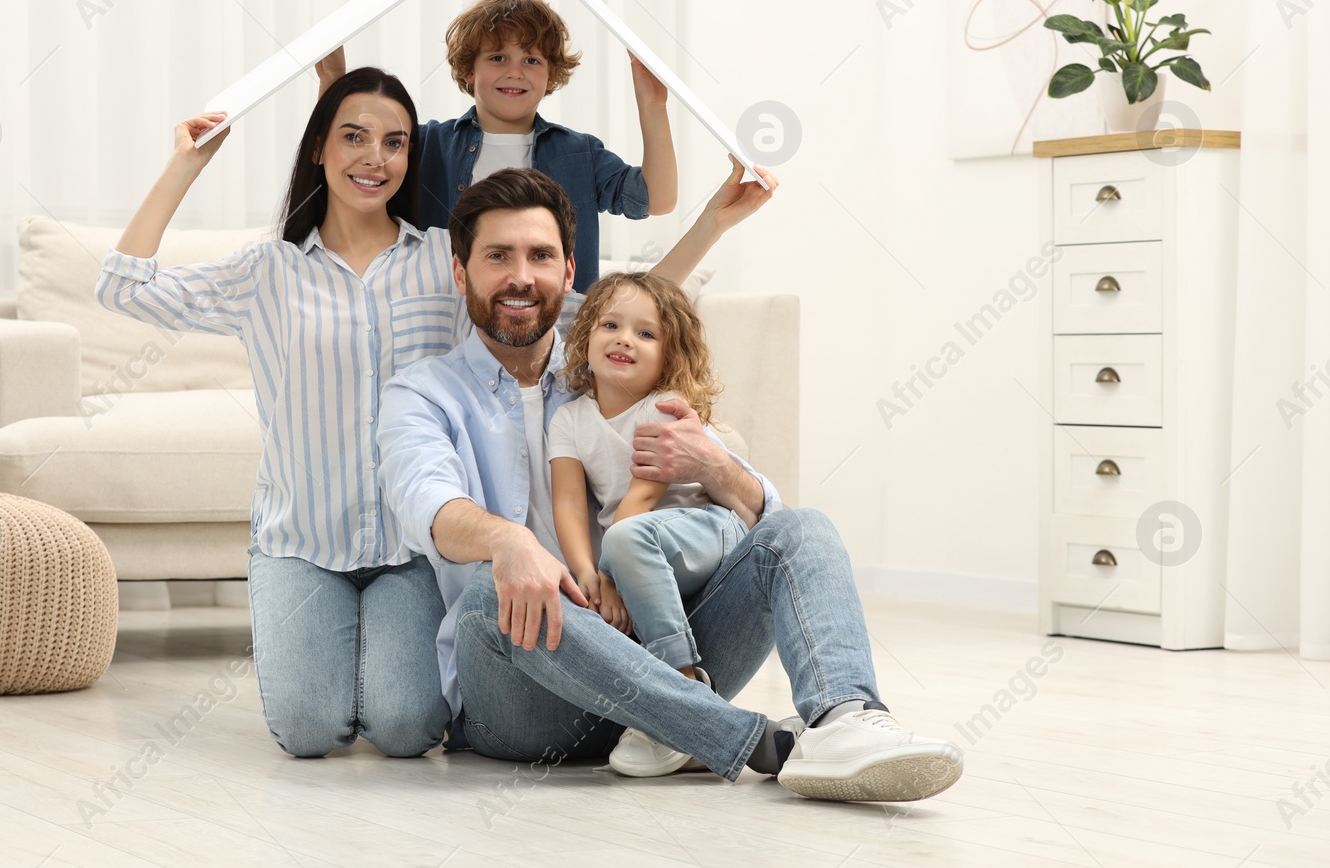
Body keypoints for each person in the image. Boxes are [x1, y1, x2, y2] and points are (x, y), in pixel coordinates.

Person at [376, 169, 965, 801]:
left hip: (652, 669)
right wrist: (508, 541)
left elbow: (757, 511)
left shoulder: (608, 369)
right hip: (527, 699)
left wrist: (712, 465)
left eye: (540, 256)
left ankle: (846, 722)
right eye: (498, 256)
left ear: (569, 272)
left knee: (799, 527)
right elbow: (426, 505)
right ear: (462, 273)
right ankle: (761, 742)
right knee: (499, 587)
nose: (522, 275)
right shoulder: (421, 393)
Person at [95, 68, 457, 759]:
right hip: (301, 544)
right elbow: (120, 288)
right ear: (319, 147)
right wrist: (185, 166)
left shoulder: (445, 261)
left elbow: (572, 314)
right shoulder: (268, 270)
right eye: (353, 137)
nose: (374, 157)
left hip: (415, 548)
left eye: (394, 142)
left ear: (411, 157)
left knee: (409, 729)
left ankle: (380, 668)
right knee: (310, 731)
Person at [316, 0, 677, 291]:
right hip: (441, 336)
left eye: (532, 60)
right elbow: (345, 168)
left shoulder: (580, 154)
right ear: (469, 71)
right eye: (498, 57)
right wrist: (333, 77)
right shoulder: (428, 145)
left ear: (551, 77)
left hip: (553, 345)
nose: (514, 72)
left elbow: (656, 199)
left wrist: (653, 105)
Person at [549, 269, 747, 775]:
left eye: (646, 333)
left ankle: (683, 687)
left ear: (669, 355)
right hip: (636, 549)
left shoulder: (660, 411)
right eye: (610, 324)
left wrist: (610, 571)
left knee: (624, 534)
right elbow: (570, 504)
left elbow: (642, 498)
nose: (624, 340)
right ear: (586, 334)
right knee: (616, 552)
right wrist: (588, 575)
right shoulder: (568, 419)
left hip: (706, 532)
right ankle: (674, 707)